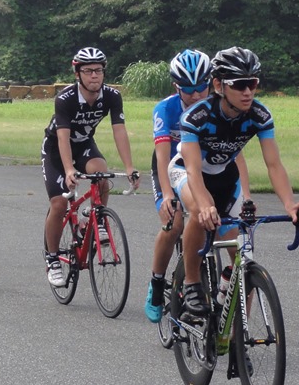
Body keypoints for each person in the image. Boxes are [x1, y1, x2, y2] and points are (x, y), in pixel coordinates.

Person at [170, 46, 299, 322]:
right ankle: (191, 282)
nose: (248, 92)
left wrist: (290, 204)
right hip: (187, 171)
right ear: (219, 85)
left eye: (253, 83)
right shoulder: (197, 116)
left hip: (225, 175)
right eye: (239, 84)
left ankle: (235, 329)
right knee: (199, 212)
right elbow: (194, 170)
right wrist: (205, 205)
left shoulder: (259, 115)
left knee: (242, 254)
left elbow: (274, 165)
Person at [145, 49, 250, 322]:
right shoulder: (165, 109)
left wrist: (246, 194)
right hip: (173, 167)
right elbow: (162, 155)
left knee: (227, 232)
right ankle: (157, 281)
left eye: (201, 88)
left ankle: (226, 296)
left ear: (211, 83)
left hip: (207, 169)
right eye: (188, 89)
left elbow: (235, 154)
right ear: (176, 87)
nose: (195, 95)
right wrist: (167, 194)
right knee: (174, 224)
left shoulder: (221, 108)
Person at [42, 47, 139, 287]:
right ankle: (52, 258)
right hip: (57, 149)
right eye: (88, 71)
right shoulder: (65, 99)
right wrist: (69, 170)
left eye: (98, 70)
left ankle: (96, 218)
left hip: (84, 144)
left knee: (101, 175)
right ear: (78, 74)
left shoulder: (112, 96)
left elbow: (119, 131)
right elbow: (63, 138)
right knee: (59, 203)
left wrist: (129, 167)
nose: (94, 75)